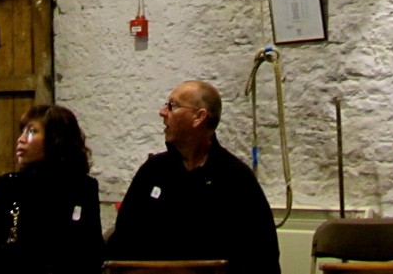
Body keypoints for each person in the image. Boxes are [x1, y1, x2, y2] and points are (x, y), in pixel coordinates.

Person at [105, 79, 280, 273]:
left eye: (172, 106)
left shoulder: (235, 179)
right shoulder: (153, 172)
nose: (162, 112)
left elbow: (262, 258)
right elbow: (122, 242)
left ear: (199, 117)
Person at [0, 104, 104, 274]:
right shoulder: (9, 186)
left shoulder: (83, 187)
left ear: (55, 139)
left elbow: (91, 253)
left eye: (31, 132)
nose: (21, 139)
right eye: (22, 131)